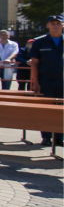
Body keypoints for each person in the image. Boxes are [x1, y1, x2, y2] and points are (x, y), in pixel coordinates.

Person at [29, 14, 64, 146]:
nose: (55, 26)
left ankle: (59, 138)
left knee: (62, 110)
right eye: (52, 23)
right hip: (45, 81)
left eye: (58, 23)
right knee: (45, 109)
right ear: (47, 25)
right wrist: (35, 81)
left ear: (62, 25)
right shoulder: (40, 42)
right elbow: (34, 63)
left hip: (62, 81)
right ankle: (46, 137)